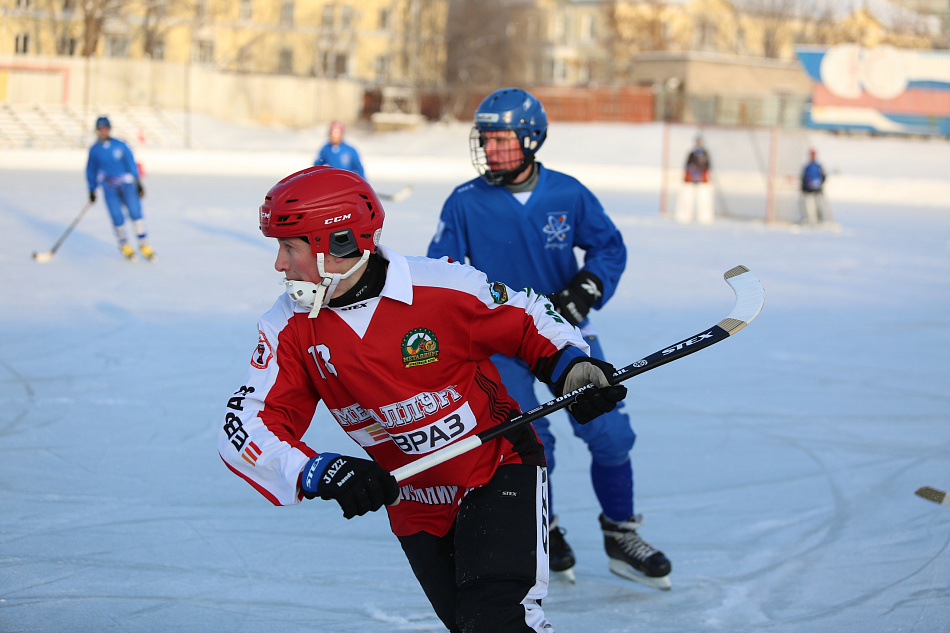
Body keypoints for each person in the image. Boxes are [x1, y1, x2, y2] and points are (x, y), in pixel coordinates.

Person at [217, 165, 628, 633]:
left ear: (341, 244)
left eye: (290, 247)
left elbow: (527, 315)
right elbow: (245, 425)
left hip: (495, 466)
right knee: (469, 624)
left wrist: (571, 365)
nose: (279, 264)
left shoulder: (442, 287)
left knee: (498, 620)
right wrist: (318, 471)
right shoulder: (288, 325)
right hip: (414, 498)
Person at [426, 87, 672, 590]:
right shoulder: (465, 202)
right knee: (533, 440)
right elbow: (440, 274)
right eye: (485, 140)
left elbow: (608, 246)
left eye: (501, 140)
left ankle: (620, 533)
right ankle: (549, 528)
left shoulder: (568, 193)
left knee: (609, 434)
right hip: (501, 345)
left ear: (531, 138)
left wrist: (589, 285)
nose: (491, 150)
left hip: (565, 334)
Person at [85, 116, 154, 261]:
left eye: (105, 128)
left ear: (109, 129)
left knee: (135, 212)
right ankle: (124, 245)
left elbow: (130, 162)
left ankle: (143, 244)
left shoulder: (120, 145)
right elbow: (91, 170)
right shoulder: (94, 150)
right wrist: (92, 189)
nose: (103, 131)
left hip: (126, 184)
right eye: (100, 129)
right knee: (116, 216)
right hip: (109, 186)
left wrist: (138, 182)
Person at [674, 135, 714, 225]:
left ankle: (705, 217)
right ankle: (684, 216)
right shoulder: (691, 154)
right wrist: (691, 174)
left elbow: (708, 166)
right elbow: (687, 166)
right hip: (691, 180)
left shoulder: (705, 154)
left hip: (703, 181)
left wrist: (704, 176)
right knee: (687, 198)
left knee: (704, 199)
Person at [800, 148, 832, 224]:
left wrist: (821, 184)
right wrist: (803, 187)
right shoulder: (807, 166)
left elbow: (823, 176)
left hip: (817, 189)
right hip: (808, 189)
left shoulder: (818, 166)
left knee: (818, 204)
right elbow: (803, 177)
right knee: (808, 205)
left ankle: (819, 219)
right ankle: (808, 218)